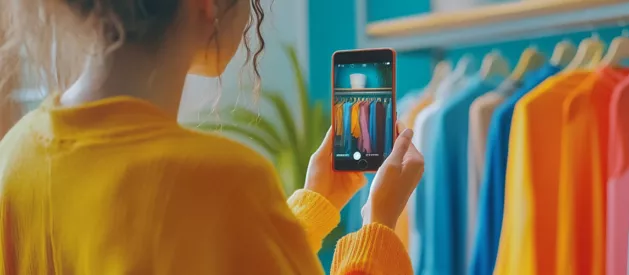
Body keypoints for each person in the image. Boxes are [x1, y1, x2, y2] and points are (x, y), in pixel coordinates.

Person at [0, 0, 424, 274]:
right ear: (205, 4)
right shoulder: (224, 180)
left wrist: (315, 203)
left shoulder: (12, 159)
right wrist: (379, 224)